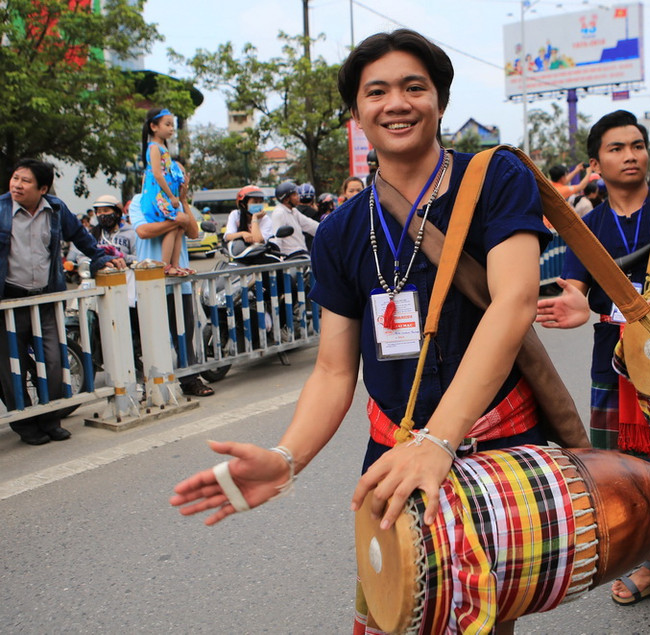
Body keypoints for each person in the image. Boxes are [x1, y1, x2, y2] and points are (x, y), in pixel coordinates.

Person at [169, 28, 552, 633]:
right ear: (357, 112)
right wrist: (287, 457)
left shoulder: (496, 179)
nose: (395, 103)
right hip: (394, 450)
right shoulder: (342, 228)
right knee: (399, 607)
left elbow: (515, 302)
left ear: (440, 101)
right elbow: (333, 368)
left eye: (413, 87)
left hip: (490, 440)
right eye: (377, 92)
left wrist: (441, 440)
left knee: (485, 615)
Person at [536, 110, 650, 633]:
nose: (631, 155)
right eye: (617, 148)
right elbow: (574, 290)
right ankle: (649, 560)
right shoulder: (586, 225)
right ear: (596, 164)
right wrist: (573, 305)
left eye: (638, 145)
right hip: (611, 368)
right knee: (630, 474)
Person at [0, 158, 126, 445]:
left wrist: (102, 258)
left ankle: (51, 419)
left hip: (46, 298)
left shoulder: (55, 209)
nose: (17, 185)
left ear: (43, 188)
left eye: (25, 181)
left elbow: (81, 237)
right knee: (11, 366)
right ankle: (25, 426)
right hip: (9, 301)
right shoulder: (1, 209)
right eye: (15, 178)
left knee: (56, 360)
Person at [129, 170, 214, 398]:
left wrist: (183, 203)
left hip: (179, 283)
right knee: (151, 337)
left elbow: (194, 232)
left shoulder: (177, 203)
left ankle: (190, 379)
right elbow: (144, 231)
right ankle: (154, 384)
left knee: (183, 335)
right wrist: (176, 222)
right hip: (150, 283)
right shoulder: (139, 202)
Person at [140, 108, 191, 276]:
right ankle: (166, 265)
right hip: (159, 196)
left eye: (172, 125)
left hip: (166, 195)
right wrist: (171, 196)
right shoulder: (154, 147)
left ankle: (175, 265)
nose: (171, 129)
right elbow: (157, 174)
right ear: (154, 126)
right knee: (173, 225)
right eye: (167, 124)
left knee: (179, 227)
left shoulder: (163, 147)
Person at [264, 180, 318, 258]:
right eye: (294, 195)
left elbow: (310, 225)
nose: (298, 197)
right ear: (286, 199)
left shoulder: (294, 211)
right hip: (291, 256)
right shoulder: (279, 213)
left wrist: (327, 230)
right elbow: (277, 238)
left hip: (302, 253)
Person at [223, 185, 272, 254]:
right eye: (255, 202)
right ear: (243, 204)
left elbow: (257, 240)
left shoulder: (265, 219)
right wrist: (243, 233)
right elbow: (228, 236)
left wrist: (254, 218)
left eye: (260, 202)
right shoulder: (235, 215)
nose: (258, 204)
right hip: (238, 254)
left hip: (259, 255)